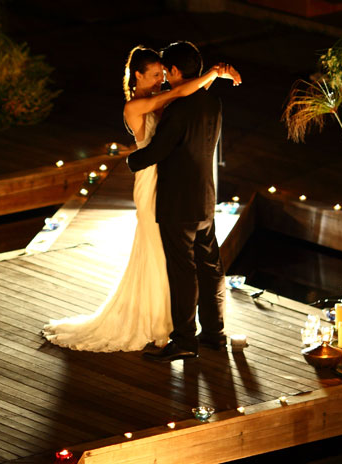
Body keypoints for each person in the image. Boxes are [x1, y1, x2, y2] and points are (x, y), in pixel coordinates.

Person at [42, 45, 239, 353]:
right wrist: (212, 74)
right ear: (137, 76)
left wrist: (212, 74)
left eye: (164, 73)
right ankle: (175, 325)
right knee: (171, 255)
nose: (161, 79)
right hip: (159, 183)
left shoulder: (180, 99)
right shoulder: (139, 106)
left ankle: (177, 329)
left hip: (174, 184)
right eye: (155, 74)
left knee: (176, 260)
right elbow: (180, 95)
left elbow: (183, 96)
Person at [127, 41, 236, 362]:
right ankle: (215, 334)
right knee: (211, 267)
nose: (163, 77)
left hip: (177, 201)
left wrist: (132, 162)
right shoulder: (212, 101)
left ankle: (186, 340)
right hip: (205, 197)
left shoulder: (177, 109)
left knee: (182, 271)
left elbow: (158, 151)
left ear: (174, 71)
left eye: (165, 71)